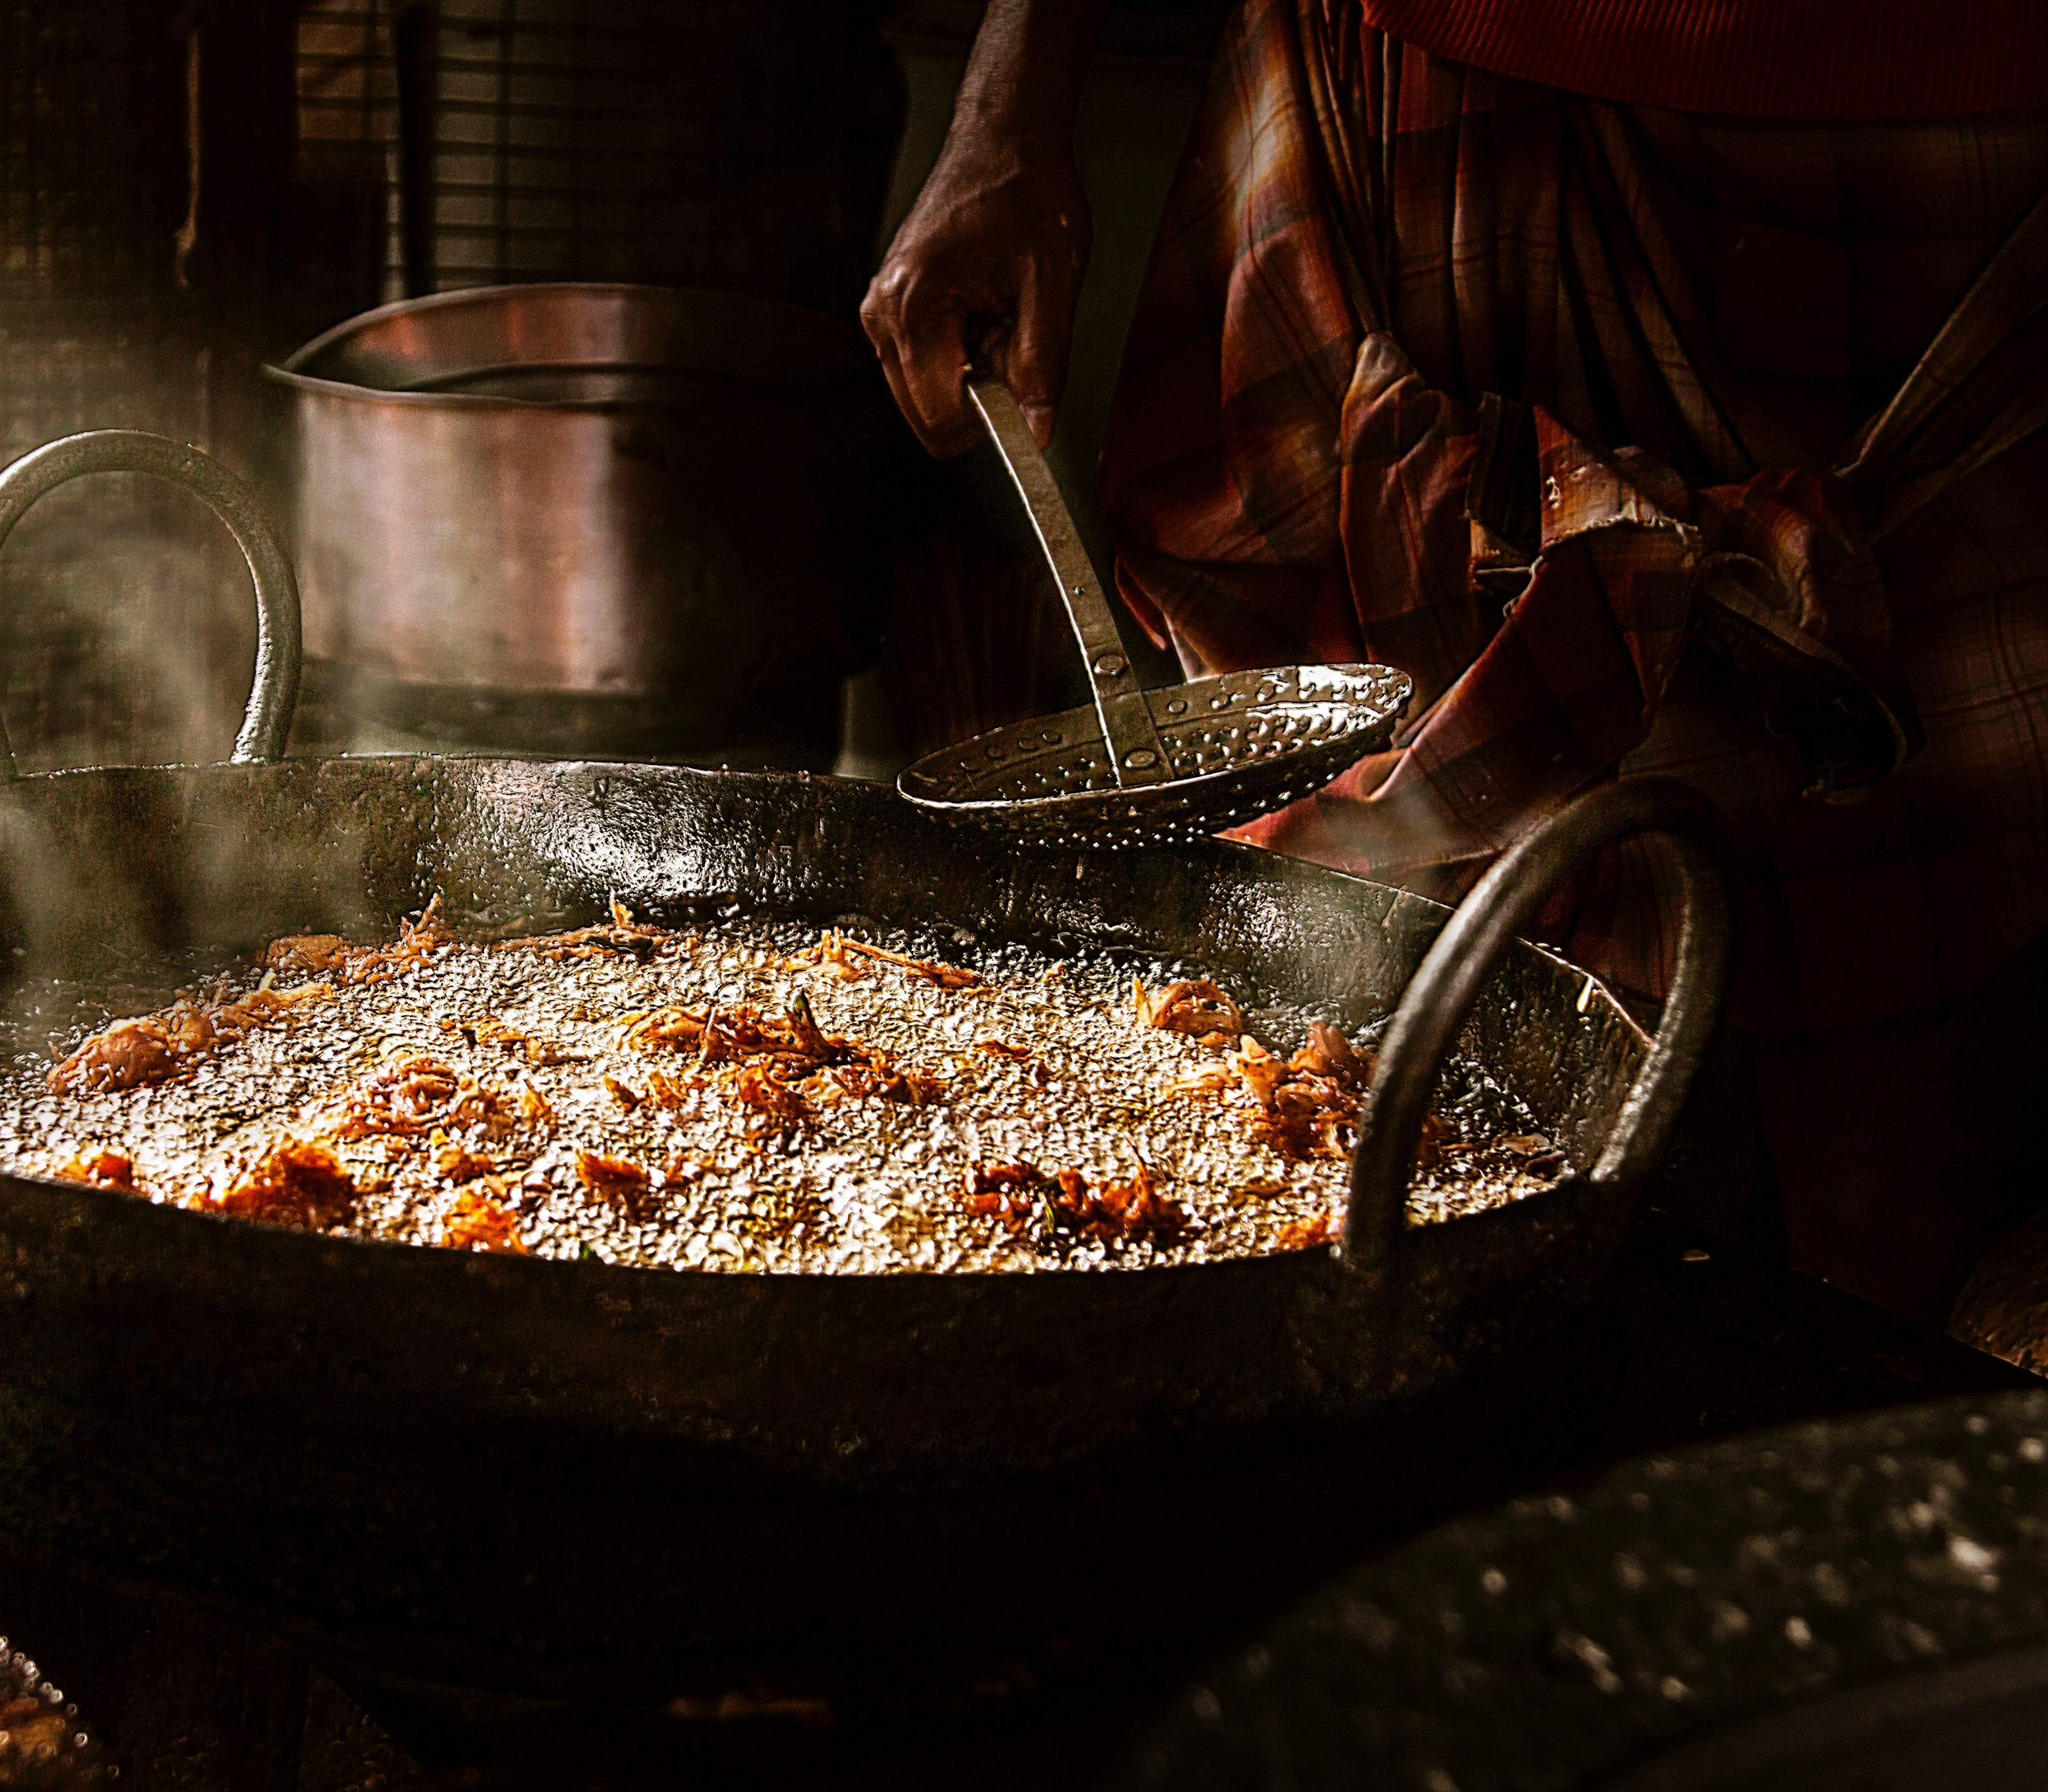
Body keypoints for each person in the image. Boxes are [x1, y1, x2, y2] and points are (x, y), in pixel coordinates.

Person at [863, 0, 2048, 1326]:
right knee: (1392, 1103)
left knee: (1932, 1091)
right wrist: (1008, 109)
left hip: (1951, 135)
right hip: (1449, 78)